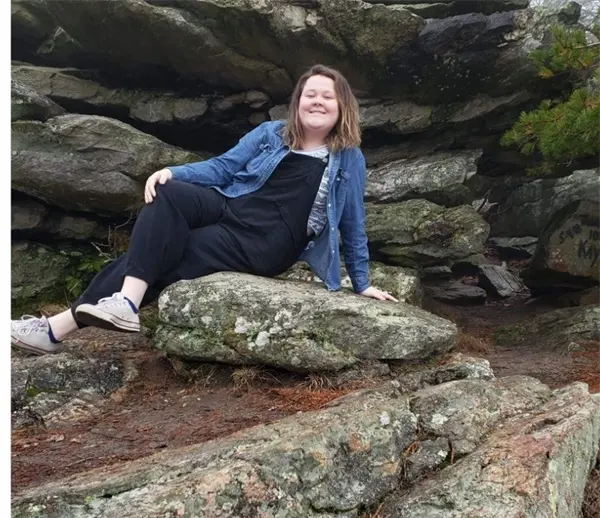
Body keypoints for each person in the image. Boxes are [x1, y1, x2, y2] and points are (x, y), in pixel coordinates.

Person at [11, 64, 398, 356]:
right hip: (231, 203)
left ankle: (54, 329)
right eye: (309, 94)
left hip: (265, 241)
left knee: (166, 253)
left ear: (341, 107)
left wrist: (361, 283)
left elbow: (352, 223)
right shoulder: (270, 134)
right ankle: (125, 303)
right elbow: (224, 168)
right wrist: (171, 171)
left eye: (327, 96)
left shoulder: (348, 159)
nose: (317, 101)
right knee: (171, 192)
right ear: (297, 102)